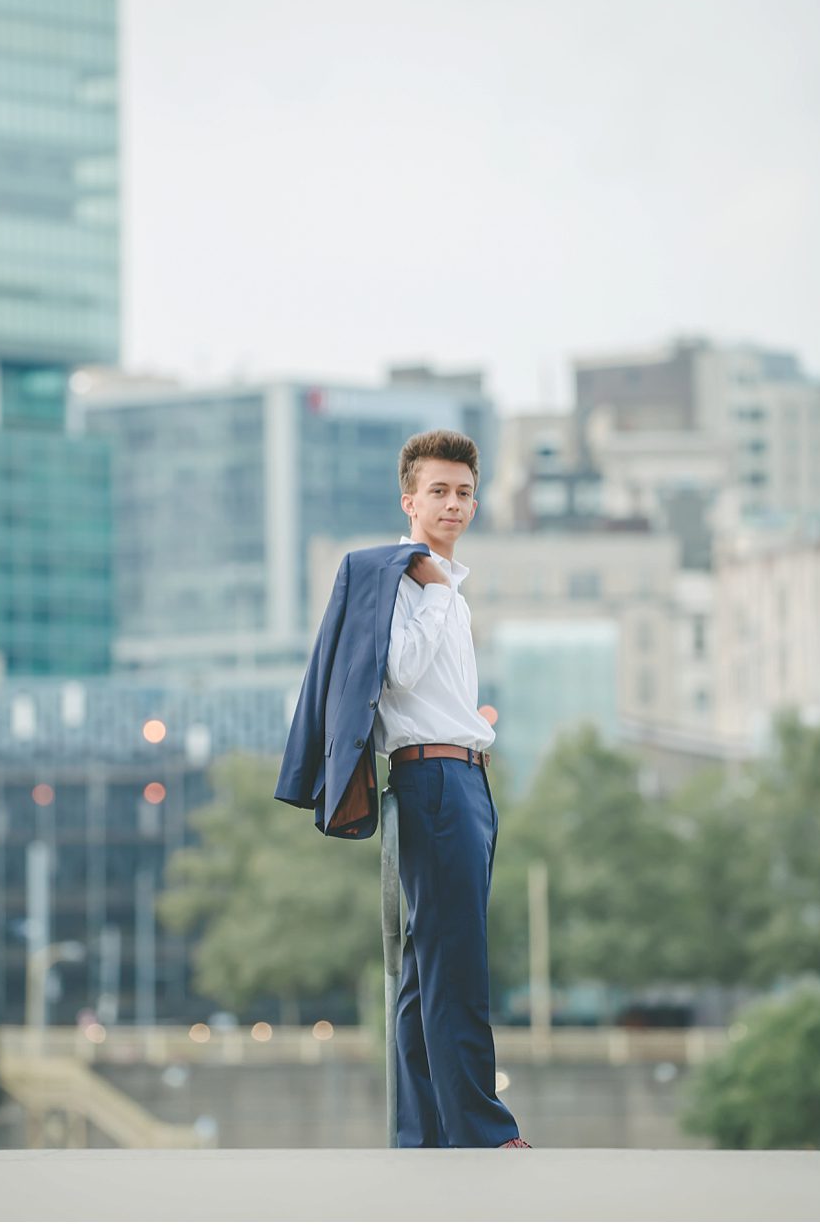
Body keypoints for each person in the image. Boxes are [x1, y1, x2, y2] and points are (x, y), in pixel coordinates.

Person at [274, 428, 527, 1149]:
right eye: (438, 492)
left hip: (461, 774)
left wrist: (476, 723)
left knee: (426, 973)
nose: (452, 504)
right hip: (434, 783)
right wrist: (437, 589)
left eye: (464, 493)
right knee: (455, 969)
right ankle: (482, 1129)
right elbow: (397, 674)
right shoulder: (411, 583)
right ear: (409, 500)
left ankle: (423, 1132)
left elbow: (428, 693)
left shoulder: (445, 590)